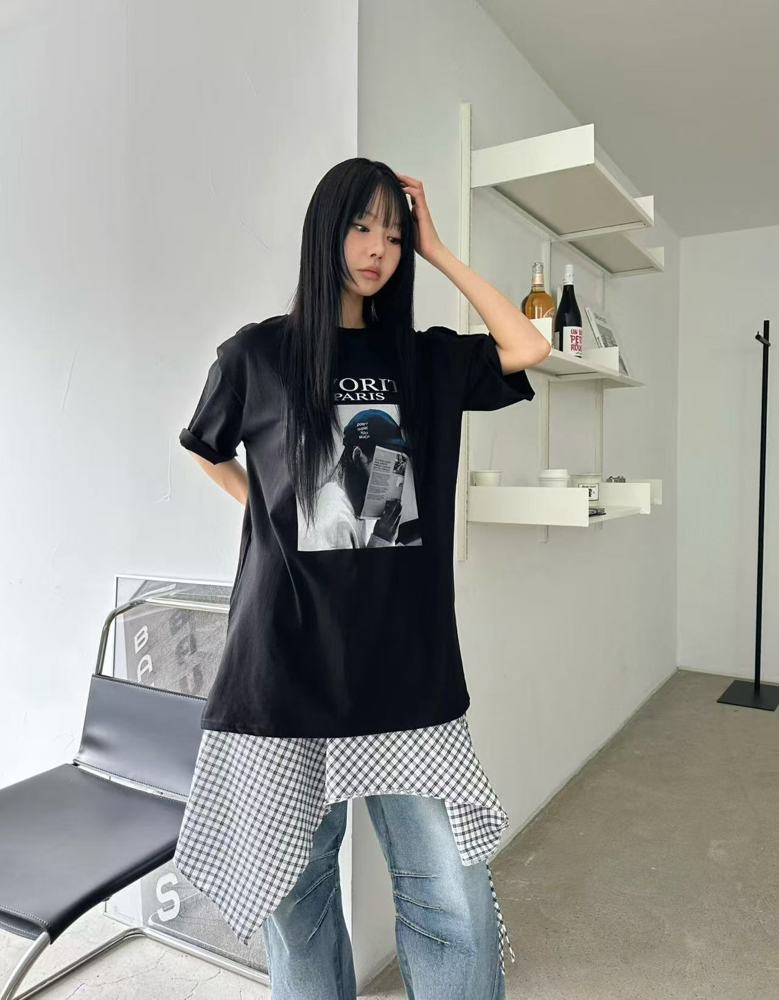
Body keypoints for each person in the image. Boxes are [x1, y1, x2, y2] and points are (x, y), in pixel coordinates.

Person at [173, 157, 551, 999]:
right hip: (284, 663)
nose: (378, 248)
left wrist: (438, 249)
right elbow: (203, 446)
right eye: (360, 226)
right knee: (297, 895)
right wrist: (264, 513)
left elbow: (526, 346)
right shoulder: (258, 354)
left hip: (403, 666)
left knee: (448, 892)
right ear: (325, 231)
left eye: (393, 233)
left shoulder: (422, 359)